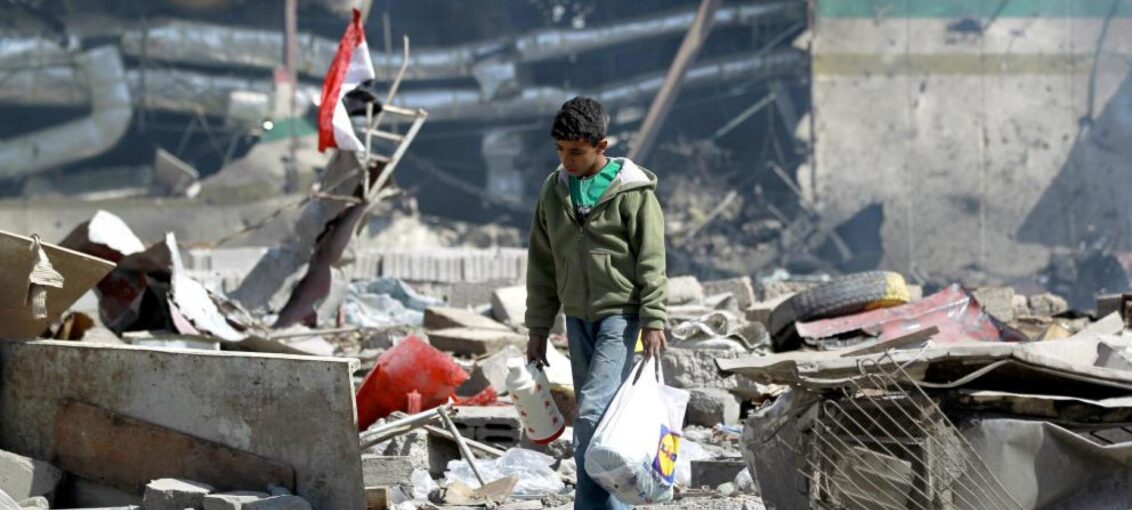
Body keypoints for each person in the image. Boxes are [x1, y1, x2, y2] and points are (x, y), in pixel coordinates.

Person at [525, 96, 669, 510]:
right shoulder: (554, 192)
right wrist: (537, 329)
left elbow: (652, 259)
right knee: (603, 422)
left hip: (621, 317)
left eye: (576, 152)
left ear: (602, 146)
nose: (566, 160)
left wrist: (654, 318)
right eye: (560, 151)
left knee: (591, 413)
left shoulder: (633, 192)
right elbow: (542, 264)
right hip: (577, 317)